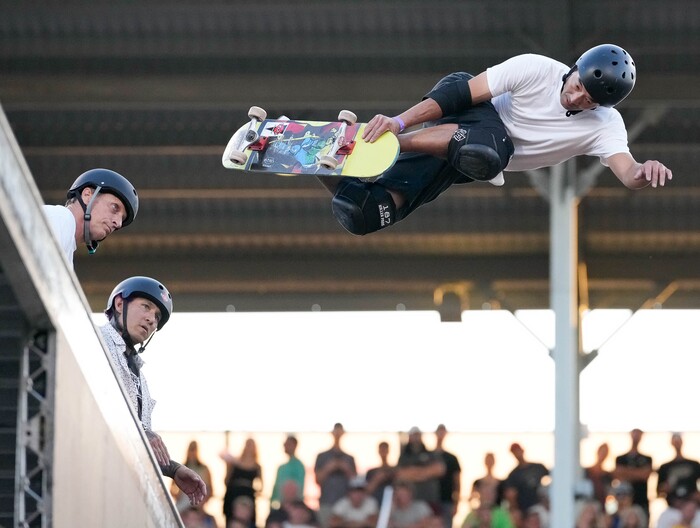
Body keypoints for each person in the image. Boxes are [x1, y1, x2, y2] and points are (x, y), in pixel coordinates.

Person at [317, 44, 672, 236]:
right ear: (574, 69)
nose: (577, 99)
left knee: (365, 214)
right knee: (489, 153)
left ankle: (324, 157)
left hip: (464, 156)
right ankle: (385, 145)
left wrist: (643, 171)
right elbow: (460, 93)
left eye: (589, 101)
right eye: (577, 87)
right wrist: (397, 123)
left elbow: (628, 173)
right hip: (470, 120)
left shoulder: (606, 124)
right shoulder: (536, 69)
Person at [99, 275, 207, 506]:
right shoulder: (94, 341)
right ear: (120, 304)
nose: (151, 319)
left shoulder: (139, 375)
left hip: (119, 489)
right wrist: (140, 432)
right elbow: (94, 408)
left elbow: (138, 442)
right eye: (146, 306)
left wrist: (174, 469)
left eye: (157, 316)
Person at [43, 168, 139, 265]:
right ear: (87, 195)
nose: (118, 223)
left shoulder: (66, 251)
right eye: (115, 207)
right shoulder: (56, 217)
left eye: (122, 218)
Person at [314, 423, 357, 528]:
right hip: (326, 503)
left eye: (340, 431)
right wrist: (328, 468)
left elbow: (355, 482)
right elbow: (317, 480)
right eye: (335, 431)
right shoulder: (322, 456)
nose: (337, 434)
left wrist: (346, 469)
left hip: (346, 505)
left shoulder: (349, 458)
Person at [395, 427, 446, 515]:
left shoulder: (431, 454)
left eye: (418, 435)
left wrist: (413, 473)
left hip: (430, 499)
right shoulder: (404, 457)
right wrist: (426, 472)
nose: (416, 438)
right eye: (413, 435)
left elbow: (439, 470)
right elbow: (400, 474)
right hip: (411, 503)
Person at [220, 437, 263, 528]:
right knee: (230, 518)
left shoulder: (257, 466)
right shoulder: (234, 462)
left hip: (248, 495)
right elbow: (226, 480)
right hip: (233, 493)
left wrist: (256, 492)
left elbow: (261, 485)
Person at [613, 429, 653, 519]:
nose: (636, 437)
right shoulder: (620, 458)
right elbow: (618, 475)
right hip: (624, 502)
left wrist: (626, 472)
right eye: (634, 434)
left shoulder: (647, 458)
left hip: (641, 500)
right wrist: (639, 472)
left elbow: (645, 475)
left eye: (638, 435)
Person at [502, 443, 549, 516]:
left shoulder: (538, 467)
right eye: (514, 452)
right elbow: (511, 495)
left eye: (518, 450)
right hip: (526, 512)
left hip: (542, 507)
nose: (517, 454)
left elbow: (551, 480)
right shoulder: (513, 475)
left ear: (522, 450)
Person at [657, 432, 700, 504]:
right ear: (671, 443)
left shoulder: (694, 464)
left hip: (693, 505)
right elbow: (659, 492)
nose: (677, 443)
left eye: (678, 440)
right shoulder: (664, 467)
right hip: (673, 505)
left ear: (682, 442)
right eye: (675, 441)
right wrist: (665, 488)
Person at [173, 440, 215, 510]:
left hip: (198, 504)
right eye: (191, 449)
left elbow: (210, 490)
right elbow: (172, 487)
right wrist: (177, 496)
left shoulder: (204, 469)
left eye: (194, 449)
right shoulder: (181, 468)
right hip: (182, 504)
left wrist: (202, 502)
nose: (192, 452)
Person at [433, 424, 461, 528]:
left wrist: (456, 503)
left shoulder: (452, 458)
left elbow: (457, 482)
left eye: (443, 432)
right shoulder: (428, 456)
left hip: (447, 501)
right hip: (431, 500)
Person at [271, 434, 306, 510]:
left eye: (288, 444)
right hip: (280, 507)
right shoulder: (281, 467)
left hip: (292, 508)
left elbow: (299, 488)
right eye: (284, 444)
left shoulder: (299, 466)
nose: (285, 446)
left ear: (294, 446)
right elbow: (276, 489)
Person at [366, 441, 396, 509]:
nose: (383, 452)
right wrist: (377, 480)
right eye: (381, 449)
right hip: (375, 503)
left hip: (392, 504)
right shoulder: (371, 472)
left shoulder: (394, 470)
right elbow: (367, 491)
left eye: (385, 449)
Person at [584, 442, 614, 509]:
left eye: (605, 453)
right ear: (598, 452)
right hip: (587, 504)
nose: (603, 455)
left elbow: (609, 493)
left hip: (602, 505)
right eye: (602, 452)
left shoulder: (608, 475)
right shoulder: (586, 471)